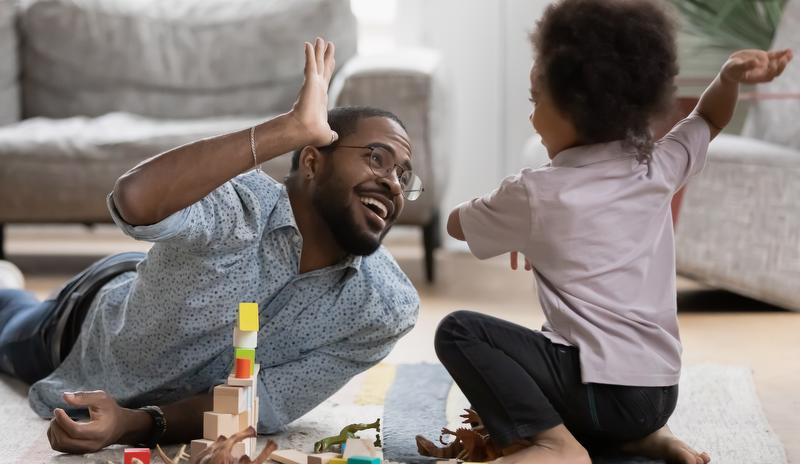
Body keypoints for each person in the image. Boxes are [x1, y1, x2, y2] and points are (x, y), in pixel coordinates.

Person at [0, 38, 422, 454]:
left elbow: (265, 402)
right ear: (311, 161)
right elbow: (134, 202)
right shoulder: (242, 204)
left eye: (404, 177)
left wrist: (133, 424)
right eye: (376, 158)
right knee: (8, 320)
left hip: (154, 280)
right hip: (85, 322)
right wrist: (289, 129)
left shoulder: (382, 309)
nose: (392, 183)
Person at [437, 1, 792, 463]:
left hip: (598, 394)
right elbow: (708, 119)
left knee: (459, 331)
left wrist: (513, 222)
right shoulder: (658, 167)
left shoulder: (535, 194)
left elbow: (456, 226)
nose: (531, 117)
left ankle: (555, 445)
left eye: (535, 100)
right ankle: (643, 439)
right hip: (658, 395)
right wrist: (727, 78)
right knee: (575, 365)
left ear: (572, 108)